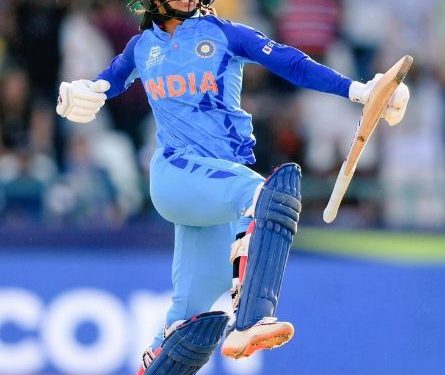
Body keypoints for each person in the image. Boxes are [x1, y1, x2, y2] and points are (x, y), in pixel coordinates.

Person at [55, 1, 410, 374]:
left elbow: (291, 63)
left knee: (189, 313)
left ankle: (153, 361)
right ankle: (252, 317)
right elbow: (105, 84)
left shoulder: (224, 33)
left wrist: (360, 91)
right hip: (175, 174)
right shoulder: (141, 47)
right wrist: (81, 93)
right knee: (260, 195)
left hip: (215, 191)